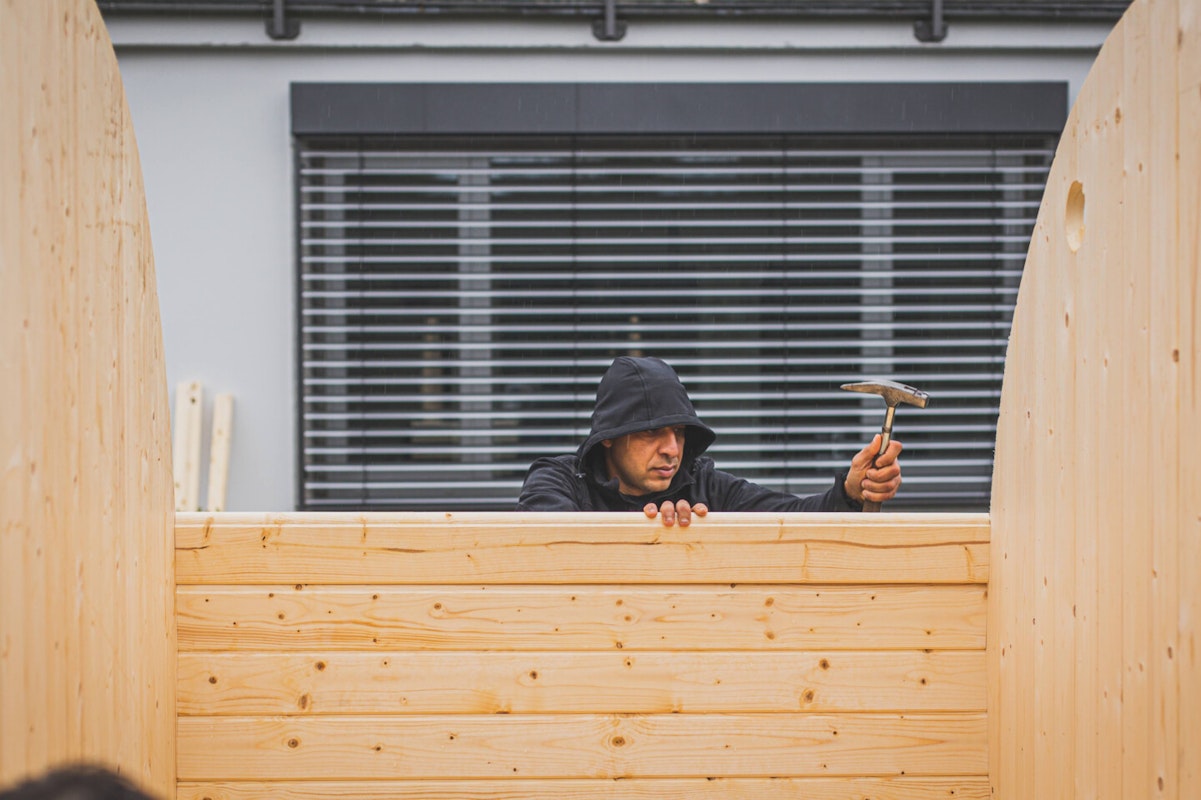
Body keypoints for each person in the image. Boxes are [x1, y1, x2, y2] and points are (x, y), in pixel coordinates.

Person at [515, 355, 903, 526]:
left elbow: (796, 518)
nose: (671, 448)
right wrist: (646, 533)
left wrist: (852, 492)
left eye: (680, 432)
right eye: (652, 432)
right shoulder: (559, 481)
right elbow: (545, 547)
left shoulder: (703, 485)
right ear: (609, 440)